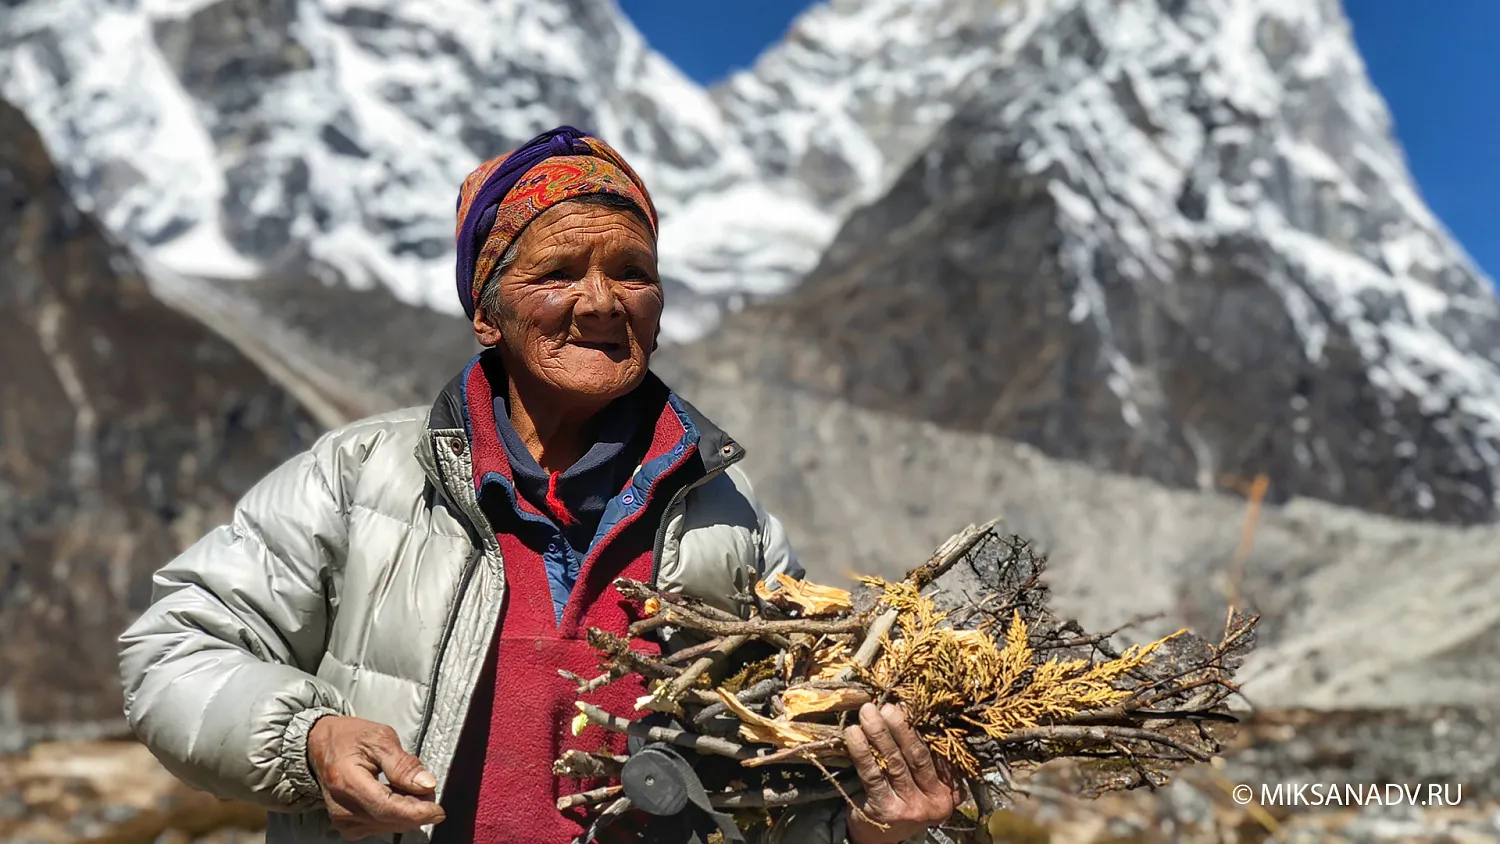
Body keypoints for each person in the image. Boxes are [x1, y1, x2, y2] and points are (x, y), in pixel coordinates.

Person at [119, 126, 957, 843]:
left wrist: (871, 826)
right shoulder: (359, 478)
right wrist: (311, 738)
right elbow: (173, 653)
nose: (600, 302)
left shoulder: (729, 530)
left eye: (630, 270)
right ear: (487, 313)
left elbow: (774, 789)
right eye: (558, 272)